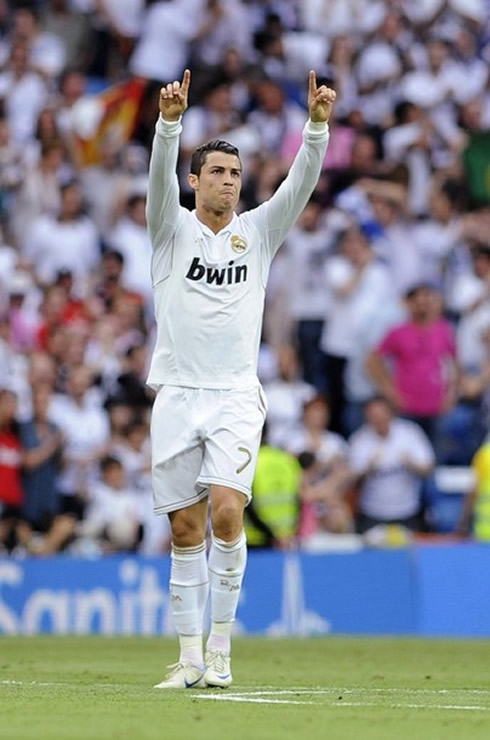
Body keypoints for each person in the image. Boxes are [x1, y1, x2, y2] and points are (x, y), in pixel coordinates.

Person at [147, 68, 335, 689]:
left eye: (235, 173)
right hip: (176, 392)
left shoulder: (258, 232)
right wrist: (169, 126)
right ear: (195, 182)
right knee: (183, 528)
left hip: (232, 394)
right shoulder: (170, 229)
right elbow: (156, 182)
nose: (228, 181)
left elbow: (300, 188)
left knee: (228, 512)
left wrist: (315, 129)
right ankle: (190, 656)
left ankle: (222, 647)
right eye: (217, 173)